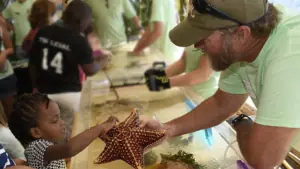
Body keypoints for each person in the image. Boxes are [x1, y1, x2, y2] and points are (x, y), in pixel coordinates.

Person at [140, 0, 300, 168]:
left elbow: (262, 159)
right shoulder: (247, 42)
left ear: (241, 34)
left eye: (204, 36)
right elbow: (221, 103)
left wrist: (242, 123)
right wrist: (165, 130)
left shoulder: (290, 55)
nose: (197, 44)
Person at [28, 0, 107, 140]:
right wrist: (102, 61)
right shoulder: (78, 39)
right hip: (69, 94)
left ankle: (54, 159)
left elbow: (33, 64)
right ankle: (68, 160)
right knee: (72, 134)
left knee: (49, 135)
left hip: (44, 93)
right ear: (83, 20)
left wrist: (37, 87)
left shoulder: (44, 32)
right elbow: (89, 70)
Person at [8, 93, 118, 169]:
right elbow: (69, 149)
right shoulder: (35, 147)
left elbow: (66, 155)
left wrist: (94, 135)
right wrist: (100, 128)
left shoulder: (48, 145)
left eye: (60, 118)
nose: (62, 122)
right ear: (36, 132)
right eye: (55, 121)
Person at [145, 46, 220, 99]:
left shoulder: (211, 40)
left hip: (202, 97)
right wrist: (161, 74)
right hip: (188, 91)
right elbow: (183, 63)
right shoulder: (191, 32)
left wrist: (164, 82)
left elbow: (203, 74)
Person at [0, 15, 16, 121]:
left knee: (10, 114)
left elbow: (10, 48)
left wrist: (4, 54)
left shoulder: (0, 23)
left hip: (5, 77)